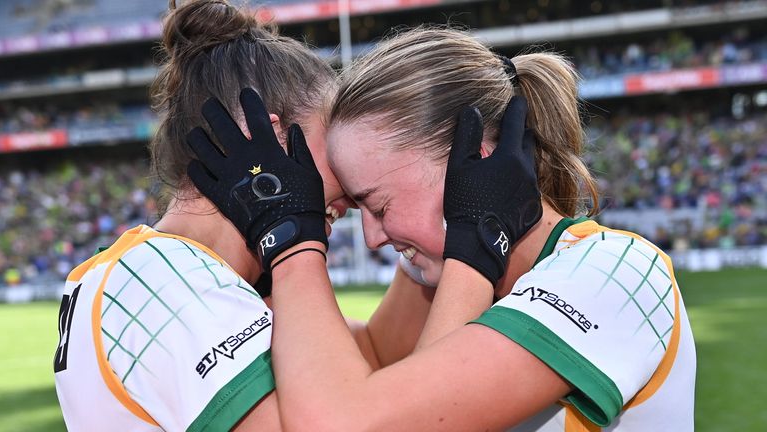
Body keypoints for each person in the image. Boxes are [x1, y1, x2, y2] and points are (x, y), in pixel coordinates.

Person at [189, 28, 696, 430]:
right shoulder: (442, 274)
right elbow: (371, 362)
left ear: (472, 162)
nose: (373, 237)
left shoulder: (613, 274)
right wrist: (234, 307)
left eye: (379, 205)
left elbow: (345, 419)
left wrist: (290, 242)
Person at [53, 0, 340, 430]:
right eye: (334, 150)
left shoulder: (159, 271)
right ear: (268, 138)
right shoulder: (170, 283)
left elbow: (376, 349)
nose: (351, 189)